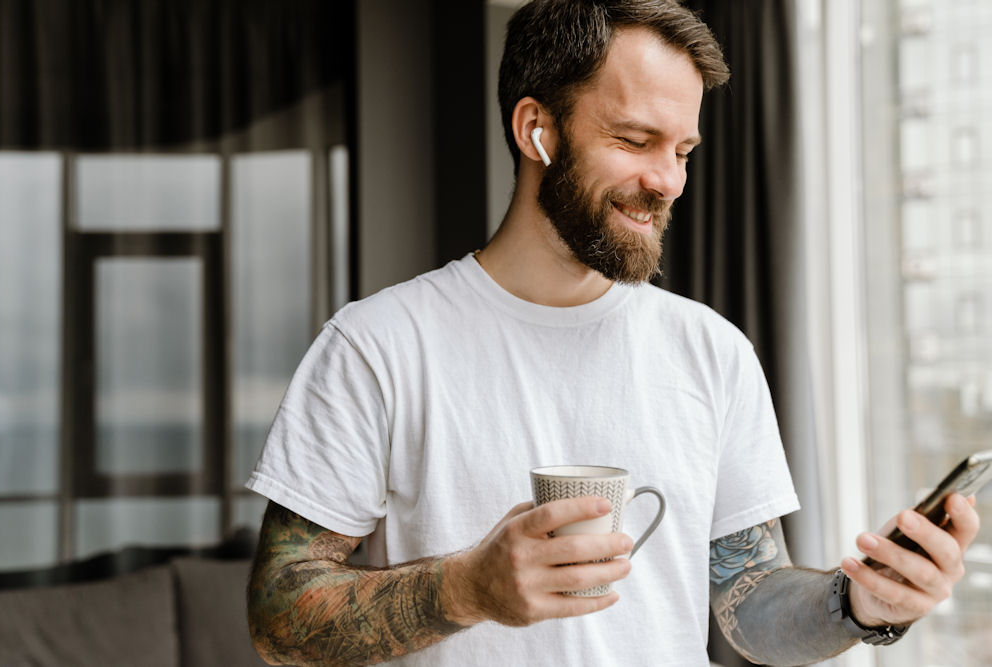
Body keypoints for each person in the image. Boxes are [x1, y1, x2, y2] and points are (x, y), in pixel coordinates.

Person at [245, 1, 981, 665]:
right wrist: (465, 587)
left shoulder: (712, 350)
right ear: (537, 130)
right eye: (635, 140)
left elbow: (749, 605)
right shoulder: (377, 346)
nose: (668, 181)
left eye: (683, 151)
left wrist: (858, 606)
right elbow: (277, 613)